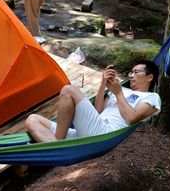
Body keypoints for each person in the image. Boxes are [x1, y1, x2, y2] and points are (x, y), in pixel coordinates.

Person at [25, 60, 161, 142]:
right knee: (32, 119)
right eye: (130, 72)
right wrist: (103, 84)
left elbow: (132, 118)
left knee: (68, 90)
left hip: (105, 133)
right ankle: (55, 148)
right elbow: (97, 111)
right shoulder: (121, 90)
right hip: (90, 128)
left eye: (136, 72)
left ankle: (59, 142)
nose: (131, 75)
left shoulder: (151, 97)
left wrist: (118, 92)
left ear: (149, 77)